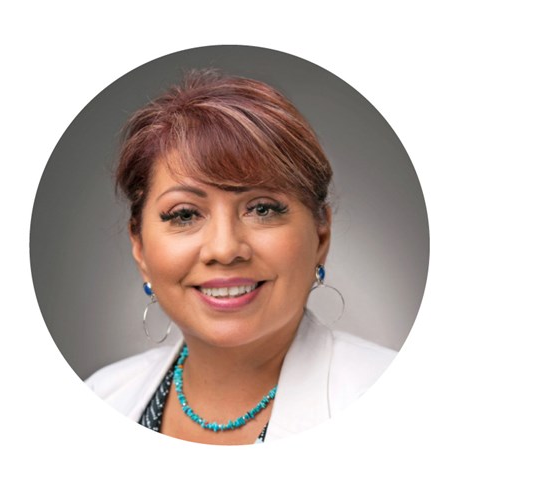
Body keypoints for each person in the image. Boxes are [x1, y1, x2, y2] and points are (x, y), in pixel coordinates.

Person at [85, 69, 396, 445]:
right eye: (184, 214)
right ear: (140, 247)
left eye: (262, 209)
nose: (225, 249)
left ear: (320, 234)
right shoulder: (100, 399)